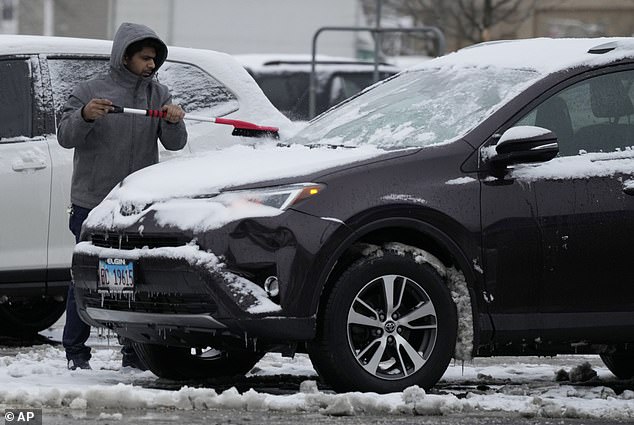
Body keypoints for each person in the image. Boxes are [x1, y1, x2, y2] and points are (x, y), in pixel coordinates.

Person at [57, 22, 187, 370]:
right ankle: (75, 352)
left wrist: (175, 121)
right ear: (125, 55)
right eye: (145, 58)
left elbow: (175, 143)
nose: (151, 65)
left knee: (133, 279)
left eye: (155, 60)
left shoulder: (158, 94)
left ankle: (134, 353)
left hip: (137, 205)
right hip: (93, 201)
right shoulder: (90, 90)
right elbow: (66, 136)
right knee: (86, 277)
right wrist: (85, 116)